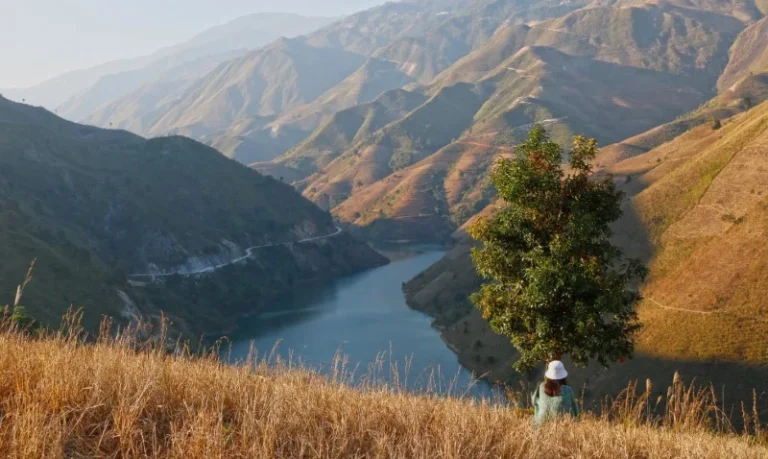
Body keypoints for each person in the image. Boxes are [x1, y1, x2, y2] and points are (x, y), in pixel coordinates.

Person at [531, 360, 579, 426]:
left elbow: (534, 402)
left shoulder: (541, 387)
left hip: (539, 425)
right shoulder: (567, 390)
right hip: (560, 426)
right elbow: (575, 410)